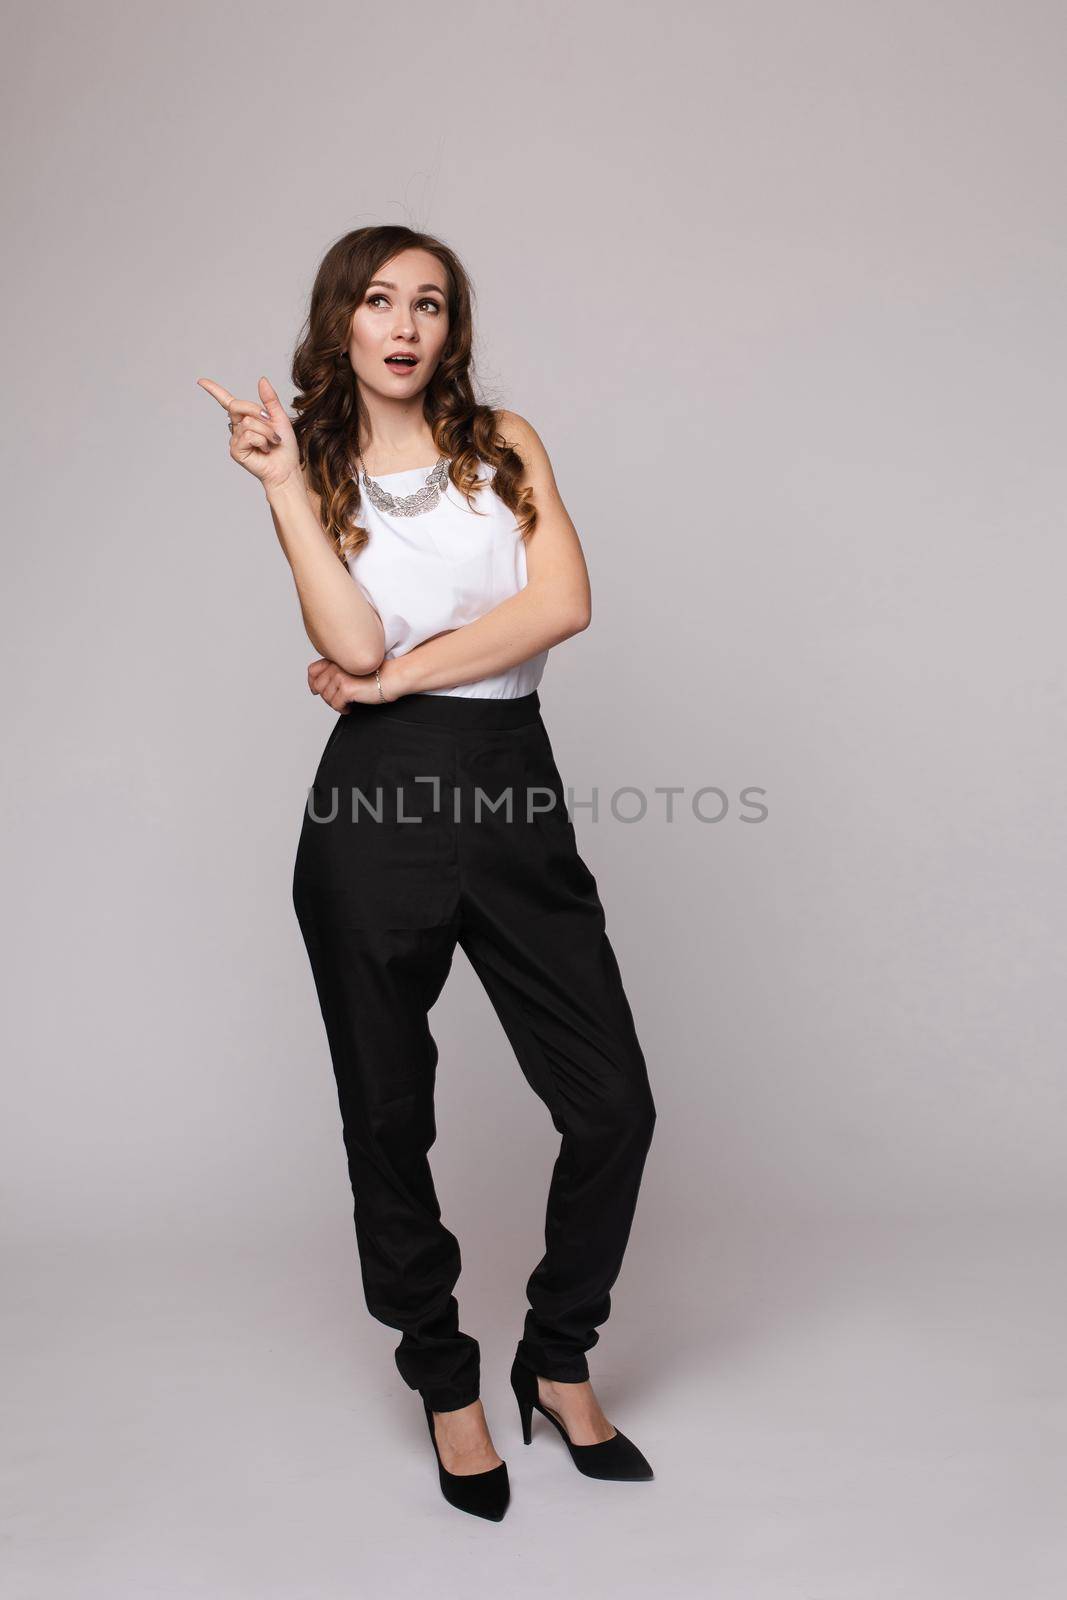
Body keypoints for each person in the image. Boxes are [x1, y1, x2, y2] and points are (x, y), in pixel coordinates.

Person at [197, 224, 658, 1521]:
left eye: (432, 305)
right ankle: (447, 1380)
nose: (406, 326)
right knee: (390, 1118)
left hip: (512, 782)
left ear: (453, 330)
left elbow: (559, 602)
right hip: (375, 808)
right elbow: (340, 631)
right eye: (382, 302)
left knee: (614, 1103)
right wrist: (282, 486)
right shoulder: (322, 465)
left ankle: (556, 1354)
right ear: (341, 320)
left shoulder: (502, 442)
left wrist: (398, 670)